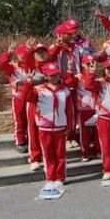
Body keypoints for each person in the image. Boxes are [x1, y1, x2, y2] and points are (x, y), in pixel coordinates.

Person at [22, 62, 75, 191]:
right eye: (51, 75)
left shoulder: (65, 90)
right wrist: (28, 83)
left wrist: (69, 126)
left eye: (56, 74)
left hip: (60, 127)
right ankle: (50, 178)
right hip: (44, 128)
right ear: (46, 75)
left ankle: (59, 178)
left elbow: (69, 110)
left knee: (60, 154)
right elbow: (26, 97)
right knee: (48, 155)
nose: (54, 77)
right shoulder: (39, 89)